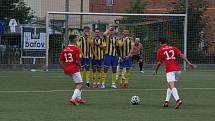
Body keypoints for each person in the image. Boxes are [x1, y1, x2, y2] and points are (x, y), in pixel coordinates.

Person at [154, 37, 195, 109]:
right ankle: (166, 102)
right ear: (166, 42)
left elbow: (159, 62)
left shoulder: (160, 50)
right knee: (169, 85)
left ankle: (178, 100)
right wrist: (188, 63)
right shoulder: (174, 48)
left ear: (160, 43)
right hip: (178, 70)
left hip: (170, 70)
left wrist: (156, 70)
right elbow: (181, 55)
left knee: (171, 85)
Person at [59, 35, 86, 105]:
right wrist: (81, 66)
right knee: (80, 84)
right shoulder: (76, 49)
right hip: (74, 68)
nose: (77, 40)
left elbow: (60, 60)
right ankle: (73, 98)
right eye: (76, 38)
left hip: (68, 69)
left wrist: (64, 68)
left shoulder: (65, 49)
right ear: (73, 40)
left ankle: (79, 99)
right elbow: (77, 61)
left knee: (78, 83)